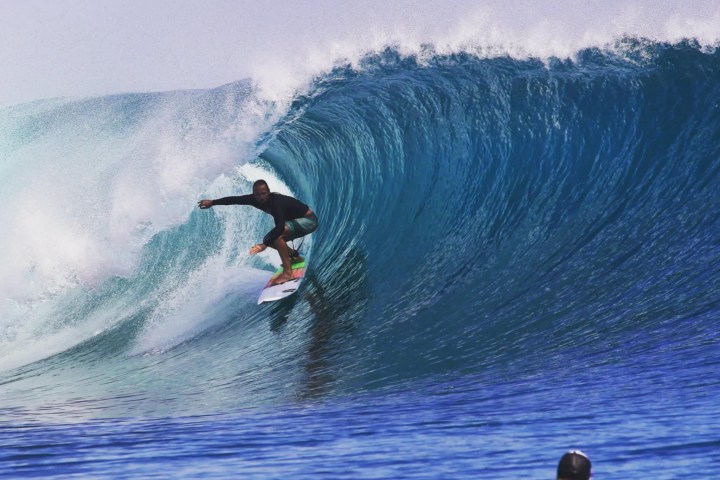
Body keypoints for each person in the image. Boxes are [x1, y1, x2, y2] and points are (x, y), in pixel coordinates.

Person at [198, 179, 318, 285]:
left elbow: (280, 227)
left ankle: (288, 273)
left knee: (275, 237)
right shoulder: (253, 199)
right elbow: (234, 199)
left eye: (263, 193)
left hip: (309, 221)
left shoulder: (276, 203)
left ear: (268, 192)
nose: (261, 197)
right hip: (296, 221)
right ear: (254, 194)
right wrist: (212, 202)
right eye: (258, 194)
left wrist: (264, 245)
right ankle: (295, 258)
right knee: (269, 238)